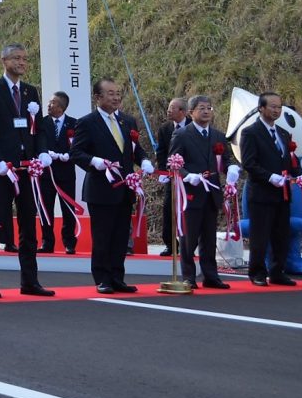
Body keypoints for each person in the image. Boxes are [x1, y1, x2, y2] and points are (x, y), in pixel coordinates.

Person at [0, 44, 55, 297]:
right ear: (4, 60)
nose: (22, 62)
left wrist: (41, 151)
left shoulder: (31, 92)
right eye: (16, 58)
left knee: (28, 226)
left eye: (25, 58)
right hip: (1, 171)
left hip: (27, 170)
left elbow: (39, 127)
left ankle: (30, 281)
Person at [70, 78, 154, 294]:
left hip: (125, 188)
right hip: (101, 189)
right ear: (97, 97)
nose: (116, 97)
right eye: (110, 93)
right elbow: (76, 153)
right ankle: (102, 278)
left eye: (118, 93)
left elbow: (135, 148)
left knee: (119, 237)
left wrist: (143, 160)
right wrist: (95, 162)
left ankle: (118, 277)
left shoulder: (128, 121)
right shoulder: (87, 122)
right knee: (103, 236)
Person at [168, 95, 239, 289]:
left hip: (212, 193)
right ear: (191, 112)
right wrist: (187, 175)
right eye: (201, 108)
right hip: (191, 192)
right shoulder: (182, 135)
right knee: (189, 237)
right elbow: (173, 162)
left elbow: (225, 158)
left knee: (209, 237)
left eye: (209, 108)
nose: (206, 111)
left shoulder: (217, 135)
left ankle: (211, 275)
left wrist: (231, 168)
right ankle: (189, 276)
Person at [239, 92, 301, 287]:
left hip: (282, 193)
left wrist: (300, 174)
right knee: (260, 235)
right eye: (272, 106)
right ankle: (257, 272)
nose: (276, 110)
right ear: (261, 108)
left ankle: (277, 271)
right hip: (261, 193)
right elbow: (249, 163)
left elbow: (290, 160)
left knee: (280, 234)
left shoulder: (283, 133)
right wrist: (269, 176)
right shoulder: (250, 132)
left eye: (279, 107)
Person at [39, 91, 77, 254]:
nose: (49, 105)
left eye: (53, 102)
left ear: (61, 107)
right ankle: (47, 242)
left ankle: (69, 242)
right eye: (49, 102)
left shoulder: (74, 124)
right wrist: (45, 153)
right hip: (46, 174)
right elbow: (37, 143)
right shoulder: (41, 123)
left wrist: (69, 155)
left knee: (68, 209)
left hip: (66, 173)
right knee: (45, 209)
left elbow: (80, 146)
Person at [156, 97, 190, 255]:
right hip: (171, 175)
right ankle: (170, 244)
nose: (168, 111)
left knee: (189, 210)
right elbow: (161, 152)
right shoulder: (164, 128)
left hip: (191, 177)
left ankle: (189, 244)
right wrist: (163, 171)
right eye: (168, 107)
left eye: (172, 108)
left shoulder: (193, 126)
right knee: (168, 208)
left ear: (182, 111)